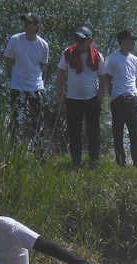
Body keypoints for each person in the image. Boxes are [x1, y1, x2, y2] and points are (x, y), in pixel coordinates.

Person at [57, 27, 106, 168]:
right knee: (74, 132)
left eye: (82, 39)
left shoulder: (97, 56)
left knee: (93, 132)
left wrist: (99, 98)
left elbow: (103, 79)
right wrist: (59, 97)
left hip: (91, 98)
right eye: (77, 39)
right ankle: (76, 161)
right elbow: (61, 75)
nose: (78, 42)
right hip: (73, 98)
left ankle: (93, 160)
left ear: (90, 40)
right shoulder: (68, 53)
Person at [4, 12, 49, 146]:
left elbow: (41, 65)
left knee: (38, 122)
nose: (26, 24)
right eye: (24, 22)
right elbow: (8, 62)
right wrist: (13, 79)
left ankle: (40, 155)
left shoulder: (43, 45)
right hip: (18, 85)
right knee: (17, 122)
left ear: (37, 26)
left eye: (29, 22)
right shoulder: (15, 40)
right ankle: (15, 155)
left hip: (36, 87)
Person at [104, 30, 137, 168]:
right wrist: (112, 94)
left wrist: (134, 94)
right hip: (118, 99)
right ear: (123, 41)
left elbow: (134, 78)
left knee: (135, 132)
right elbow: (106, 78)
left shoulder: (135, 59)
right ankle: (121, 162)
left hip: (131, 98)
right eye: (131, 39)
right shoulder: (112, 59)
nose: (133, 43)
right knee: (118, 132)